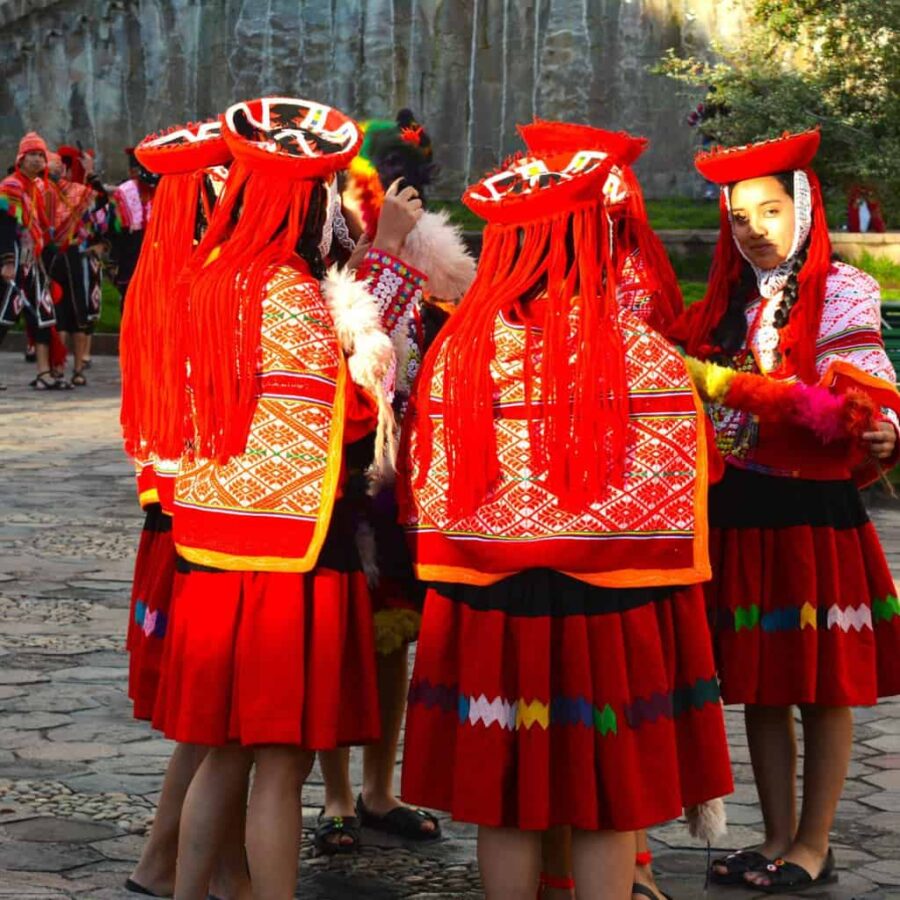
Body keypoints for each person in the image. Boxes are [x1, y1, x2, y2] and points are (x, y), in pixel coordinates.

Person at [398, 140, 733, 899]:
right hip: (608, 610)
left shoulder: (460, 350)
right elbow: (686, 478)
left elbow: (431, 485)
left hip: (491, 606)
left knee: (506, 803)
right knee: (606, 804)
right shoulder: (636, 352)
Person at [151, 96, 428, 900]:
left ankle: (183, 888)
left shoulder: (207, 281)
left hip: (213, 548)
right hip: (294, 558)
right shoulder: (290, 294)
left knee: (225, 750)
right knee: (279, 764)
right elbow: (346, 419)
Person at [671, 128, 900, 893]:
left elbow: (866, 379)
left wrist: (880, 424)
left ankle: (814, 840)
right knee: (763, 683)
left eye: (770, 212)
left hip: (811, 513)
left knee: (821, 686)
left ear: (803, 210)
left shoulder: (842, 291)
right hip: (744, 507)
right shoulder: (724, 306)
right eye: (739, 218)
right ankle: (775, 837)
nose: (754, 231)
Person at [518, 120, 687, 900]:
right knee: (551, 723)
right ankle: (572, 867)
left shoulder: (640, 280)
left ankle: (627, 866)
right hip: (551, 529)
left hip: (619, 514)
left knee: (597, 725)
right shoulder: (513, 297)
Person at [316, 108, 475, 855]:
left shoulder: (436, 256)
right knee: (338, 630)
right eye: (361, 190)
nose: (376, 203)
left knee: (391, 636)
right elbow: (361, 353)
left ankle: (381, 788)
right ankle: (338, 796)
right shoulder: (320, 253)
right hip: (336, 469)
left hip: (404, 470)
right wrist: (380, 248)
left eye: (394, 190)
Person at [117, 118, 244, 899]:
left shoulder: (162, 281)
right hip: (204, 528)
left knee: (213, 727)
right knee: (220, 726)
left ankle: (196, 865)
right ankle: (187, 867)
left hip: (173, 522)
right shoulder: (206, 289)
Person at [0, 131, 65, 390]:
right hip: (13, 260)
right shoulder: (10, 187)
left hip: (32, 262)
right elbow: (4, 227)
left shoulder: (36, 189)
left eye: (41, 155)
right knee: (4, 315)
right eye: (33, 155)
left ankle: (43, 373)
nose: (38, 160)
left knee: (43, 315)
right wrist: (5, 261)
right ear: (21, 159)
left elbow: (39, 227)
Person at [43, 146, 108, 385]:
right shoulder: (77, 191)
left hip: (55, 257)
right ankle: (75, 369)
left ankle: (61, 368)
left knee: (63, 313)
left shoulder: (44, 191)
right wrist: (91, 173)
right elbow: (101, 202)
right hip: (71, 257)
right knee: (74, 314)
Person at [109, 147, 158, 308]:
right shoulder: (124, 192)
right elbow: (116, 229)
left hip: (153, 250)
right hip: (131, 251)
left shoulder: (158, 190)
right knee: (131, 299)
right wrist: (115, 259)